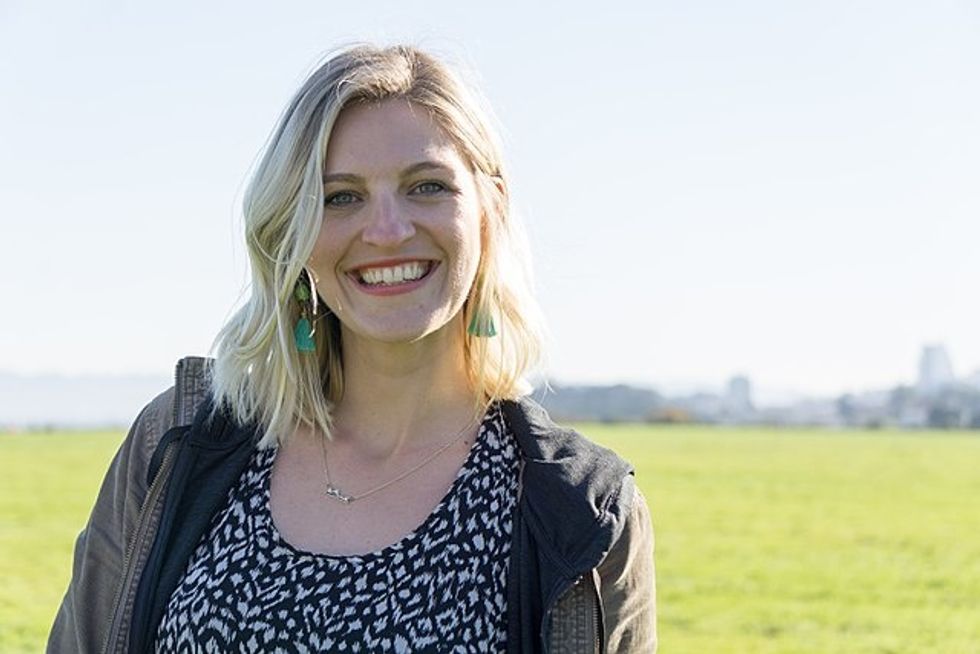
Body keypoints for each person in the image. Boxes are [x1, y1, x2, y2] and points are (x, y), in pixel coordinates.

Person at [48, 44, 656, 653]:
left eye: (425, 187)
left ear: (489, 208)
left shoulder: (580, 509)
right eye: (341, 196)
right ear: (293, 229)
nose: (387, 231)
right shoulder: (178, 445)